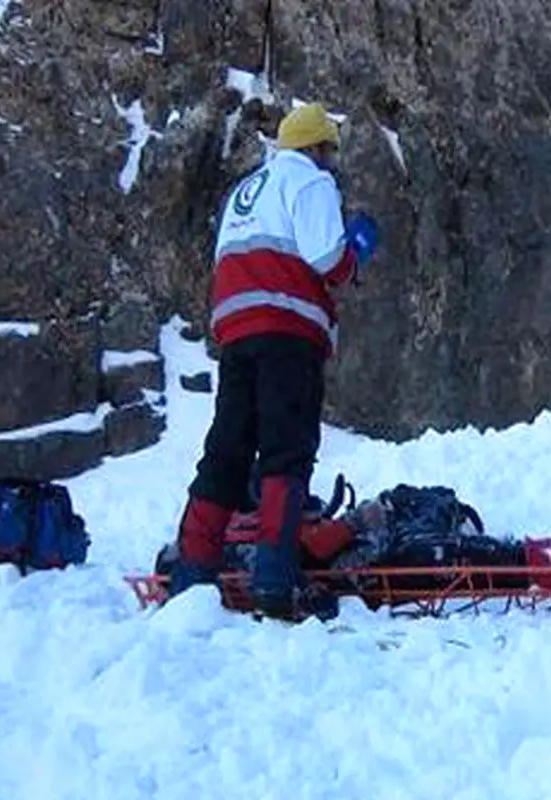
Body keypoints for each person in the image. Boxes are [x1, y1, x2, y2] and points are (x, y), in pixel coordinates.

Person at [170, 103, 380, 616]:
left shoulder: (245, 190)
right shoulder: (311, 181)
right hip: (287, 328)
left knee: (227, 450)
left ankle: (191, 575)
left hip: (235, 329)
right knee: (287, 451)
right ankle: (276, 582)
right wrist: (355, 251)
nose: (331, 160)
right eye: (330, 150)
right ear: (317, 148)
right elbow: (326, 259)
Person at [154, 483, 551, 616]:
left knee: (473, 551)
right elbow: (312, 547)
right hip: (368, 576)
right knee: (461, 557)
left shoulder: (235, 535)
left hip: (366, 563)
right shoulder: (238, 541)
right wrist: (359, 520)